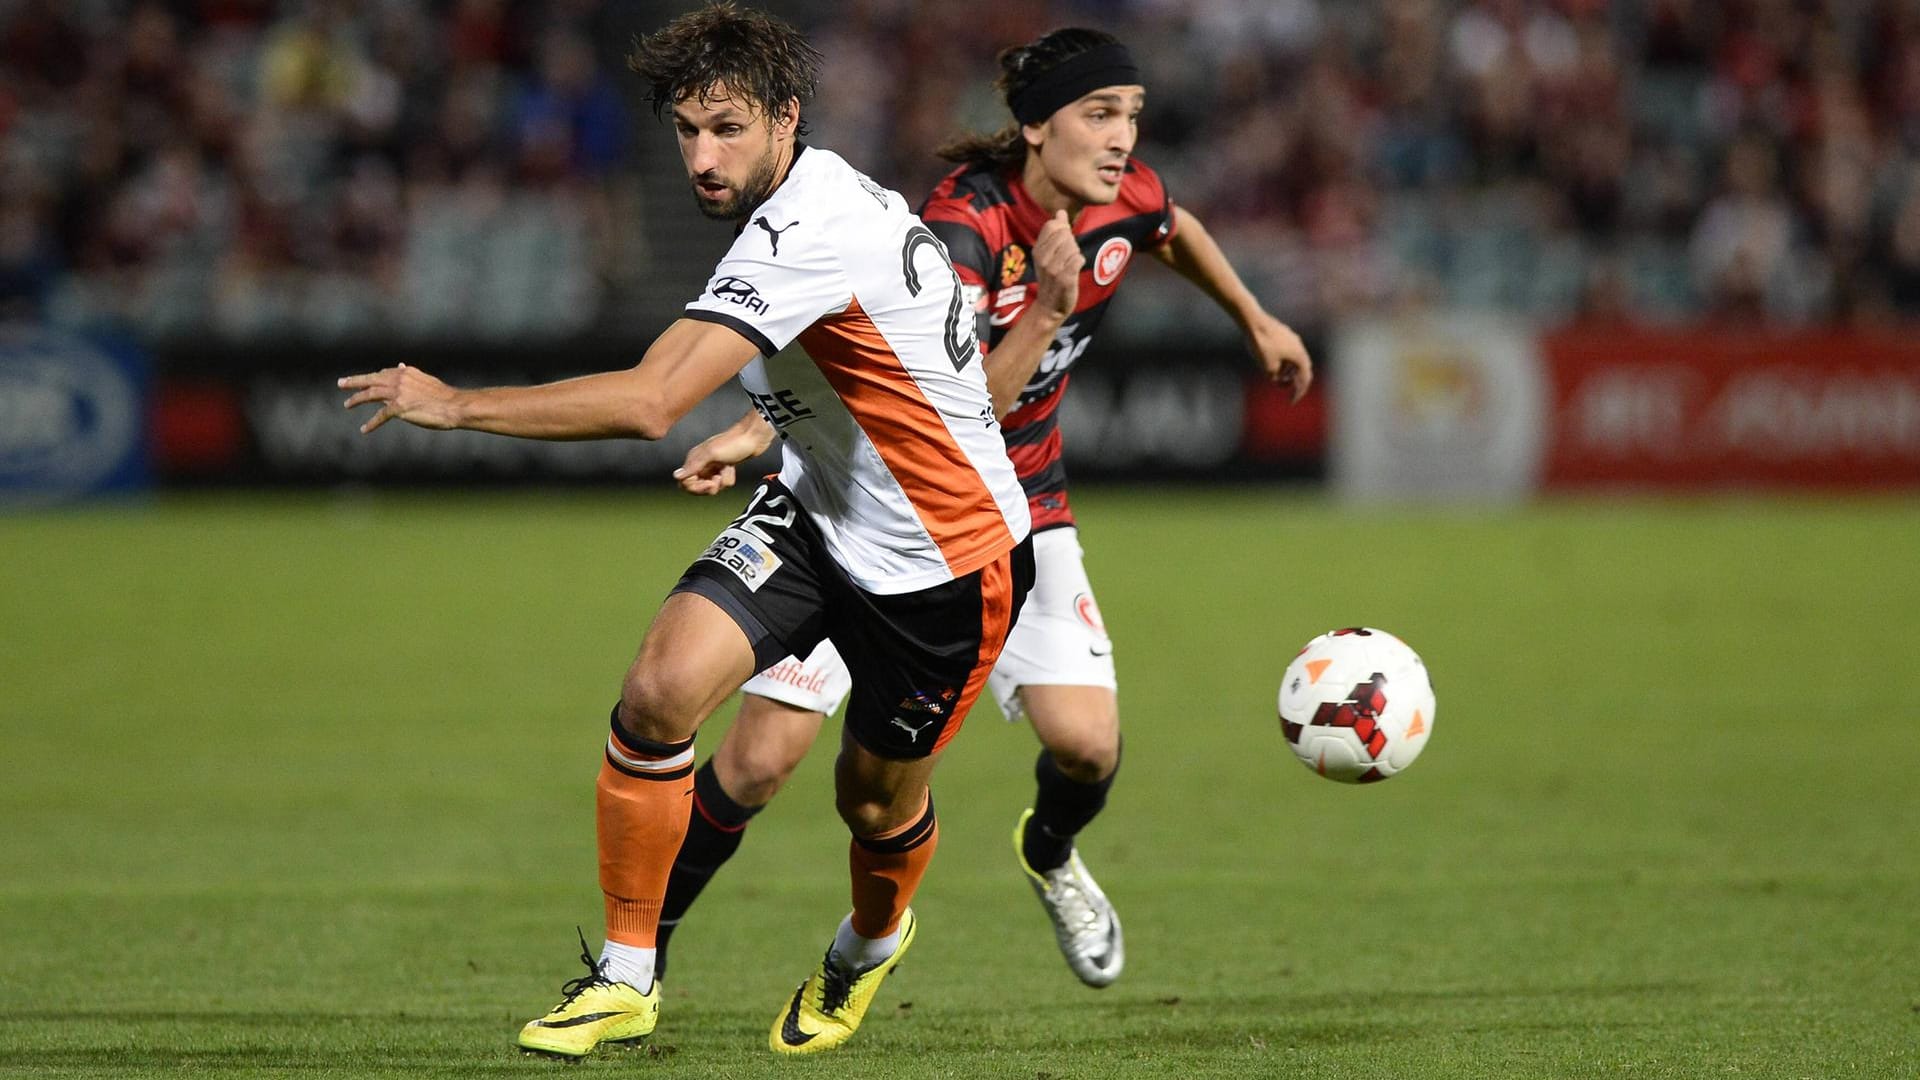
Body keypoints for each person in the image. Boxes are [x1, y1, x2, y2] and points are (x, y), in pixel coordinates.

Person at [338, 3, 1033, 1059]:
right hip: (818, 509)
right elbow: (869, 357)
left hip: (945, 563)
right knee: (660, 690)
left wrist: (457, 404)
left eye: (728, 130)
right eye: (686, 130)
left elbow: (650, 401)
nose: (703, 158)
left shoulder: (807, 229)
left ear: (785, 120)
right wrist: (764, 432)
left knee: (874, 806)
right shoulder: (823, 192)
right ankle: (624, 976)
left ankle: (868, 944)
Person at [656, 26, 1313, 992]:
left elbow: (1172, 227)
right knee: (756, 764)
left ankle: (1048, 853)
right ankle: (642, 950)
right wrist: (772, 433)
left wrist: (1253, 317)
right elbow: (946, 396)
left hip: (1024, 512)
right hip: (883, 509)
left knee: (1087, 748)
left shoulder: (1117, 191)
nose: (1124, 137)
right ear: (1036, 129)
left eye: (1131, 113)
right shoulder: (962, 228)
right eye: (1101, 114)